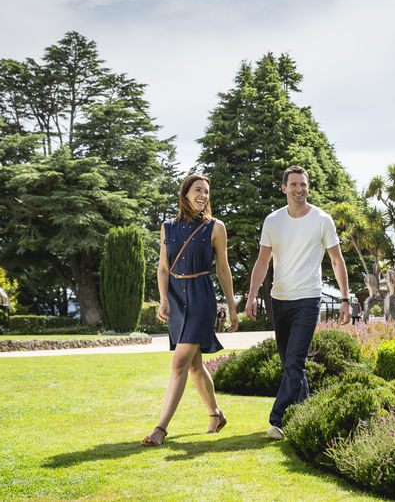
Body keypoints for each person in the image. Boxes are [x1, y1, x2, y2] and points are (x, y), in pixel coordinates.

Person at [245, 165, 350, 440]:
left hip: (308, 298)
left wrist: (345, 299)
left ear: (308, 187)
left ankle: (277, 419)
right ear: (284, 188)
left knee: (294, 361)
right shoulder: (273, 221)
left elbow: (337, 260)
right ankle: (308, 414)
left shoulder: (322, 220)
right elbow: (262, 261)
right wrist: (252, 295)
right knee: (290, 365)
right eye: (294, 184)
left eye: (303, 184)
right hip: (279, 300)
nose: (299, 189)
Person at [141, 173, 239, 447]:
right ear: (185, 194)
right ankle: (216, 415)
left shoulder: (215, 227)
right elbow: (163, 267)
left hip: (200, 298)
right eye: (198, 190)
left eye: (207, 192)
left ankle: (160, 429)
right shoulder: (167, 227)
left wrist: (232, 308)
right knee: (195, 366)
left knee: (179, 362)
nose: (203, 196)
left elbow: (223, 269)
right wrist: (163, 299)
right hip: (175, 299)